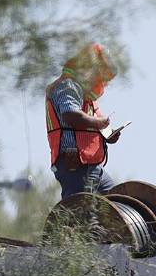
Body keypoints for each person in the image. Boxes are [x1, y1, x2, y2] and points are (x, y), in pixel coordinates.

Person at [46, 43, 123, 199]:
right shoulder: (67, 85)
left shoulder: (86, 96)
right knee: (82, 213)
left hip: (91, 165)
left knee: (118, 203)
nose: (102, 82)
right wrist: (100, 123)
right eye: (100, 74)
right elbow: (71, 116)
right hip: (75, 166)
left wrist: (108, 134)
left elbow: (95, 123)